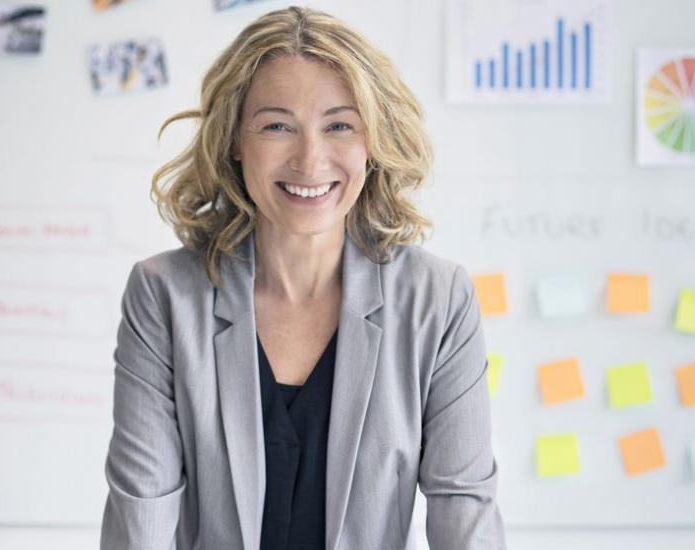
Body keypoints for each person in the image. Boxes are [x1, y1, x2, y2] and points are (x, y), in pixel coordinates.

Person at [100, 6, 505, 550]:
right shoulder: (164, 295)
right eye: (276, 126)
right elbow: (139, 521)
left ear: (373, 142)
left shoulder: (438, 301)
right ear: (235, 143)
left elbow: (466, 520)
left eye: (339, 125)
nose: (310, 159)